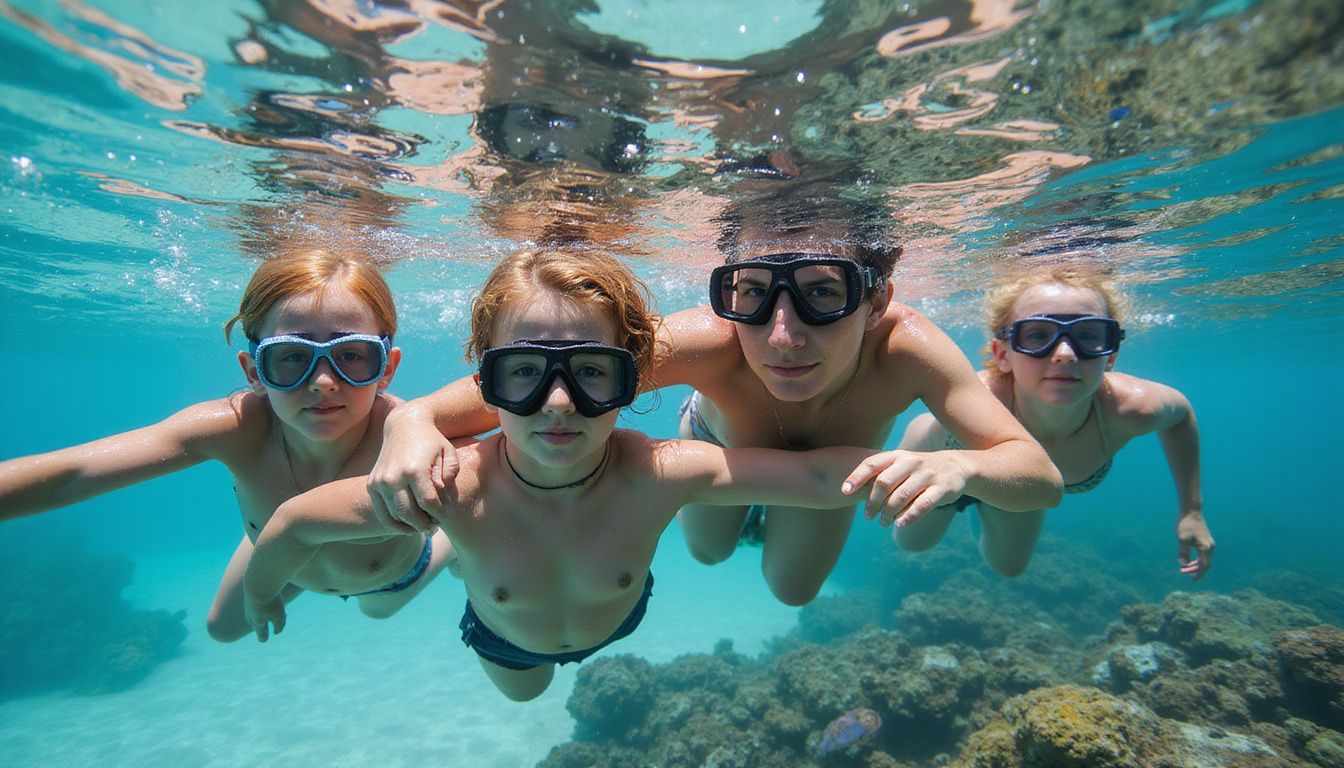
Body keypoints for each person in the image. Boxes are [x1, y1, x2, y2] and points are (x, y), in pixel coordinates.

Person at [243, 248, 907, 701]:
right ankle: (451, 553)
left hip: (619, 619)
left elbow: (820, 479)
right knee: (525, 698)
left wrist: (936, 467)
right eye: (524, 375)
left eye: (592, 373)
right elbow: (292, 524)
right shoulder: (453, 485)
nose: (558, 404)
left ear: (632, 380)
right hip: (509, 645)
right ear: (485, 383)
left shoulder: (662, 471)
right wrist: (264, 592)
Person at [364, 188, 1064, 606]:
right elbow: (554, 374)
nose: (782, 337)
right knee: (705, 553)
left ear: (877, 298)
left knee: (792, 589)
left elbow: (1036, 477)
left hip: (833, 464)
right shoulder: (709, 342)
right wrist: (414, 420)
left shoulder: (908, 348)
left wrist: (962, 467)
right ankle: (708, 434)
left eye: (823, 294)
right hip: (722, 445)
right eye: (753, 295)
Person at [0, 250, 455, 640]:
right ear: (254, 370)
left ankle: (446, 550)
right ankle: (270, 526)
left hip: (389, 578)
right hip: (287, 563)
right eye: (292, 356)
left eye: (352, 355)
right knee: (223, 629)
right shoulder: (234, 428)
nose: (322, 382)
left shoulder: (406, 434)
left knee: (375, 610)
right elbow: (72, 475)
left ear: (387, 368)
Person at [895, 265, 1213, 579]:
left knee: (1008, 566)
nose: (1064, 353)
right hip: (943, 453)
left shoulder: (1131, 407)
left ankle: (987, 501)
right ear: (1002, 354)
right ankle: (972, 495)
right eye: (1037, 336)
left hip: (1019, 481)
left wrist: (1192, 511)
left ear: (1111, 355)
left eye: (1088, 335)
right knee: (914, 544)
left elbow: (1181, 416)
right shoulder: (975, 399)